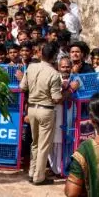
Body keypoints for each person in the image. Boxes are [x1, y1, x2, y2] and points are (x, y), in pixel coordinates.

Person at [20, 43, 64, 185]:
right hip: (45, 109)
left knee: (35, 142)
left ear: (41, 54)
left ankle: (32, 173)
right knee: (43, 144)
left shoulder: (31, 67)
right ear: (54, 57)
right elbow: (57, 98)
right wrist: (68, 90)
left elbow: (22, 87)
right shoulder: (54, 74)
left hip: (32, 109)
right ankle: (39, 177)